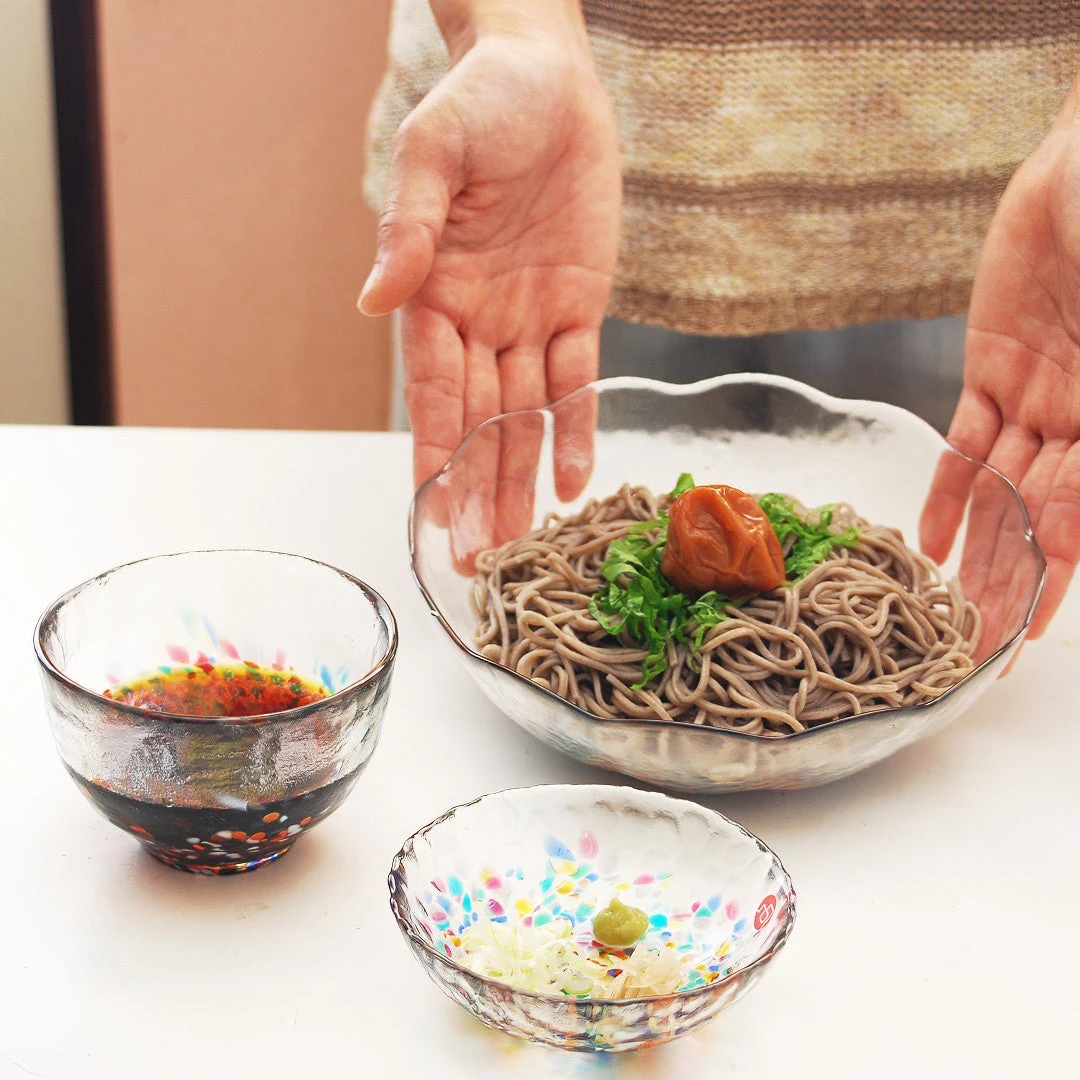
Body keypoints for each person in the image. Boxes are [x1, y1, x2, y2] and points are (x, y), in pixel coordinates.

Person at [358, 0, 1080, 641]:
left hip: (1000, 231)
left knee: (954, 560)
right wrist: (516, 25)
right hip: (543, 208)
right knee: (488, 511)